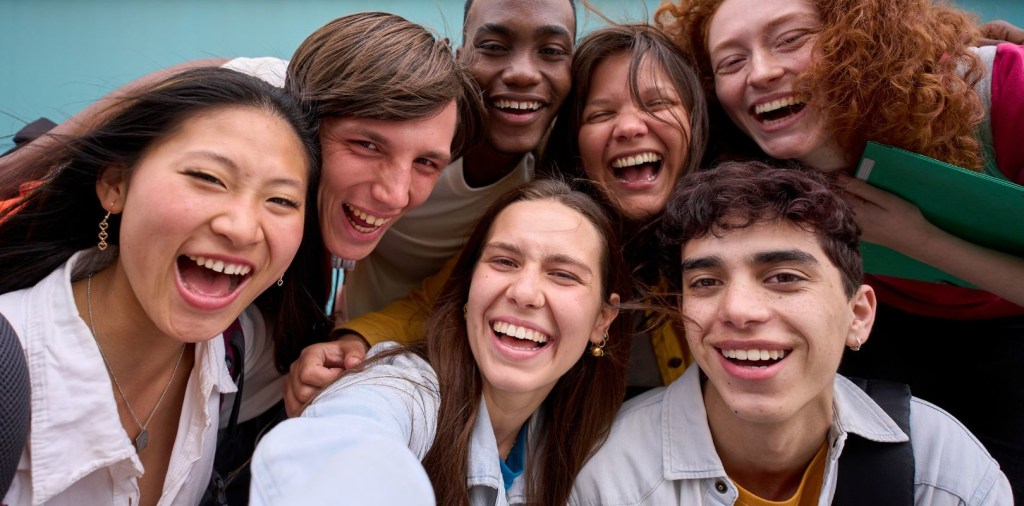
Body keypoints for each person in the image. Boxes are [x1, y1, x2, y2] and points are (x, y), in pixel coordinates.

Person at [657, 0, 1024, 495]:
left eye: (790, 39)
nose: (761, 72)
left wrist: (914, 237)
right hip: (880, 329)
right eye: (731, 61)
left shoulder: (1005, 92)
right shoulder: (742, 153)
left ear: (860, 38)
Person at [284, 22, 710, 414]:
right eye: (600, 114)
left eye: (657, 104)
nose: (630, 127)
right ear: (575, 141)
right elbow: (443, 301)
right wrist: (356, 342)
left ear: (697, 120)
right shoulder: (541, 217)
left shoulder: (734, 222)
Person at [570, 161, 1012, 505]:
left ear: (857, 314)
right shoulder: (607, 476)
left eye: (783, 277)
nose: (738, 311)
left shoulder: (940, 470)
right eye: (706, 282)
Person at [0, 67, 321, 506]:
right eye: (208, 178)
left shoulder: (243, 349)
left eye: (281, 201)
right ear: (115, 185)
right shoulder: (9, 363)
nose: (242, 228)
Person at [251, 179, 629, 506]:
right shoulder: (405, 390)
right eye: (504, 262)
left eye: (562, 274)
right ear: (467, 289)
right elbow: (350, 439)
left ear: (602, 320)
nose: (525, 292)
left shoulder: (579, 445)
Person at [284, 0, 577, 413]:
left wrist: (357, 338)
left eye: (551, 51)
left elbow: (441, 296)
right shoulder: (407, 109)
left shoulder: (534, 199)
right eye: (494, 46)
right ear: (460, 61)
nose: (523, 72)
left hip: (393, 362)